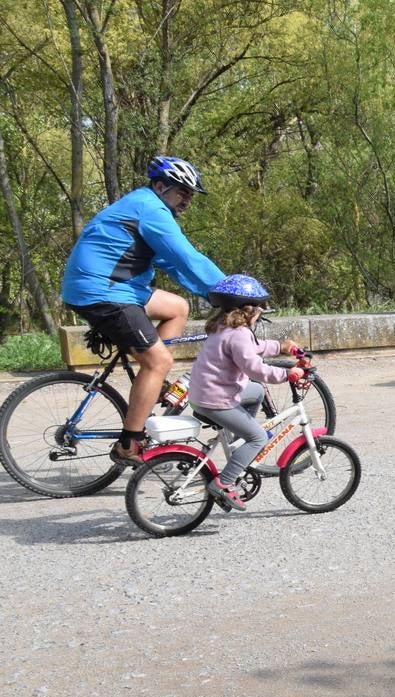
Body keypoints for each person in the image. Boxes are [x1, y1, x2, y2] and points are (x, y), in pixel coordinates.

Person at [60, 155, 227, 465]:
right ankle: (129, 444)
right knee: (158, 359)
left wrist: (211, 292)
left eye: (190, 194)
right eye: (183, 192)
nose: (187, 200)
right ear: (161, 186)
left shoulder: (146, 206)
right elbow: (187, 257)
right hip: (103, 291)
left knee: (177, 307)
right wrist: (232, 290)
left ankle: (153, 383)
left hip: (116, 286)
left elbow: (171, 264)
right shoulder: (151, 209)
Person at [186, 275, 304, 512]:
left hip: (203, 394)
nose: (260, 312)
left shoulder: (223, 327)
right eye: (259, 308)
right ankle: (224, 483)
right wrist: (287, 375)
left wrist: (280, 346)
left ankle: (236, 439)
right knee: (258, 438)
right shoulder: (239, 334)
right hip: (216, 401)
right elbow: (254, 367)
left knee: (256, 390)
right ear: (249, 311)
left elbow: (254, 347)